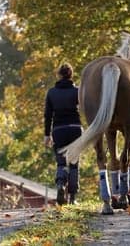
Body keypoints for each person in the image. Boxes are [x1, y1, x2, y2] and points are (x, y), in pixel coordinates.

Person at [44, 63, 82, 205]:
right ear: (71, 75)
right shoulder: (77, 91)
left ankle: (60, 185)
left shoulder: (51, 93)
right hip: (75, 129)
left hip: (59, 130)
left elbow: (48, 115)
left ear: (59, 75)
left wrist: (47, 135)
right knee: (73, 163)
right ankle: (72, 197)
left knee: (61, 162)